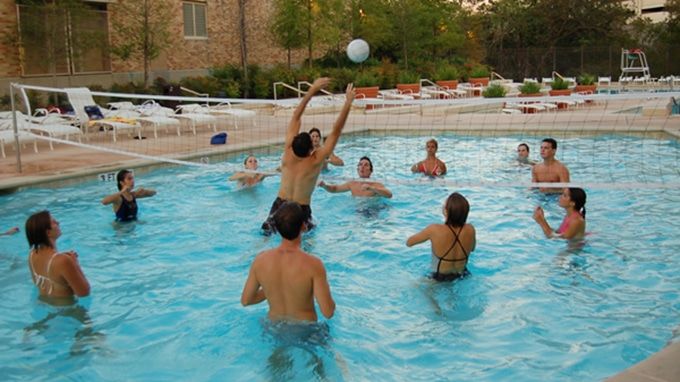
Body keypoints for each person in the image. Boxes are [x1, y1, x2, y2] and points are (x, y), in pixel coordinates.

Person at [261, 77, 355, 234]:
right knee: (306, 243)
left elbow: (296, 116)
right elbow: (336, 131)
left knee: (266, 236)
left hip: (280, 206)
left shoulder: (287, 152)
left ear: (294, 143)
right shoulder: (315, 160)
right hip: (300, 210)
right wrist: (348, 103)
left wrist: (312, 89)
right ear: (311, 150)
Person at [242, 201, 335, 322]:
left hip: (273, 328)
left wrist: (271, 289)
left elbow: (246, 300)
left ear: (276, 228)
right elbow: (328, 312)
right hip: (305, 331)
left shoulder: (260, 260)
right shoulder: (313, 265)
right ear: (304, 226)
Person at [406, 192, 476, 281]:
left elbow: (409, 243)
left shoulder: (434, 229)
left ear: (446, 211)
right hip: (462, 275)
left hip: (438, 277)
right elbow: (472, 248)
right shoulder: (470, 229)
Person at [25, 210, 90, 299]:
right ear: (48, 233)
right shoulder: (63, 260)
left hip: (44, 305)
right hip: (68, 311)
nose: (58, 222)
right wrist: (75, 263)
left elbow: (38, 282)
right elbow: (84, 293)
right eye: (54, 222)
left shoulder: (32, 255)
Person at [319, 156, 392, 198]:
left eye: (366, 165)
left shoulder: (376, 184)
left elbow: (389, 195)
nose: (362, 167)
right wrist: (324, 186)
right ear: (357, 169)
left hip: (374, 211)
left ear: (371, 170)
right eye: (360, 165)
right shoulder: (352, 184)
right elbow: (335, 189)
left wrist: (372, 188)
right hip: (358, 212)